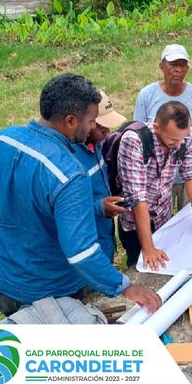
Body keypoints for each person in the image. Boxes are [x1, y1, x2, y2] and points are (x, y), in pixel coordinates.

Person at [0, 73, 161, 316]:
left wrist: (17, 244)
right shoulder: (69, 172)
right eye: (92, 121)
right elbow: (81, 252)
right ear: (71, 121)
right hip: (51, 295)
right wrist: (125, 287)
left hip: (4, 285)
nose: (94, 127)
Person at [118, 101, 192, 270]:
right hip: (135, 223)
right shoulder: (134, 141)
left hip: (164, 218)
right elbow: (137, 199)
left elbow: (191, 173)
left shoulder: (185, 135)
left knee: (168, 264)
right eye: (173, 139)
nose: (179, 144)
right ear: (157, 127)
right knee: (142, 265)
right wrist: (148, 248)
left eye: (182, 139)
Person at [134, 44, 192, 210]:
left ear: (187, 69)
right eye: (173, 65)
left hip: (189, 174)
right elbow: (139, 137)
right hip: (158, 177)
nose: (178, 70)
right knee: (160, 219)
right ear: (161, 67)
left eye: (182, 65)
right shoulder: (147, 95)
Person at [72, 90, 127, 262]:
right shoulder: (70, 159)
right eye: (102, 126)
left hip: (104, 239)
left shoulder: (96, 145)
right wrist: (99, 208)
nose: (107, 131)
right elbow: (66, 210)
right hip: (86, 249)